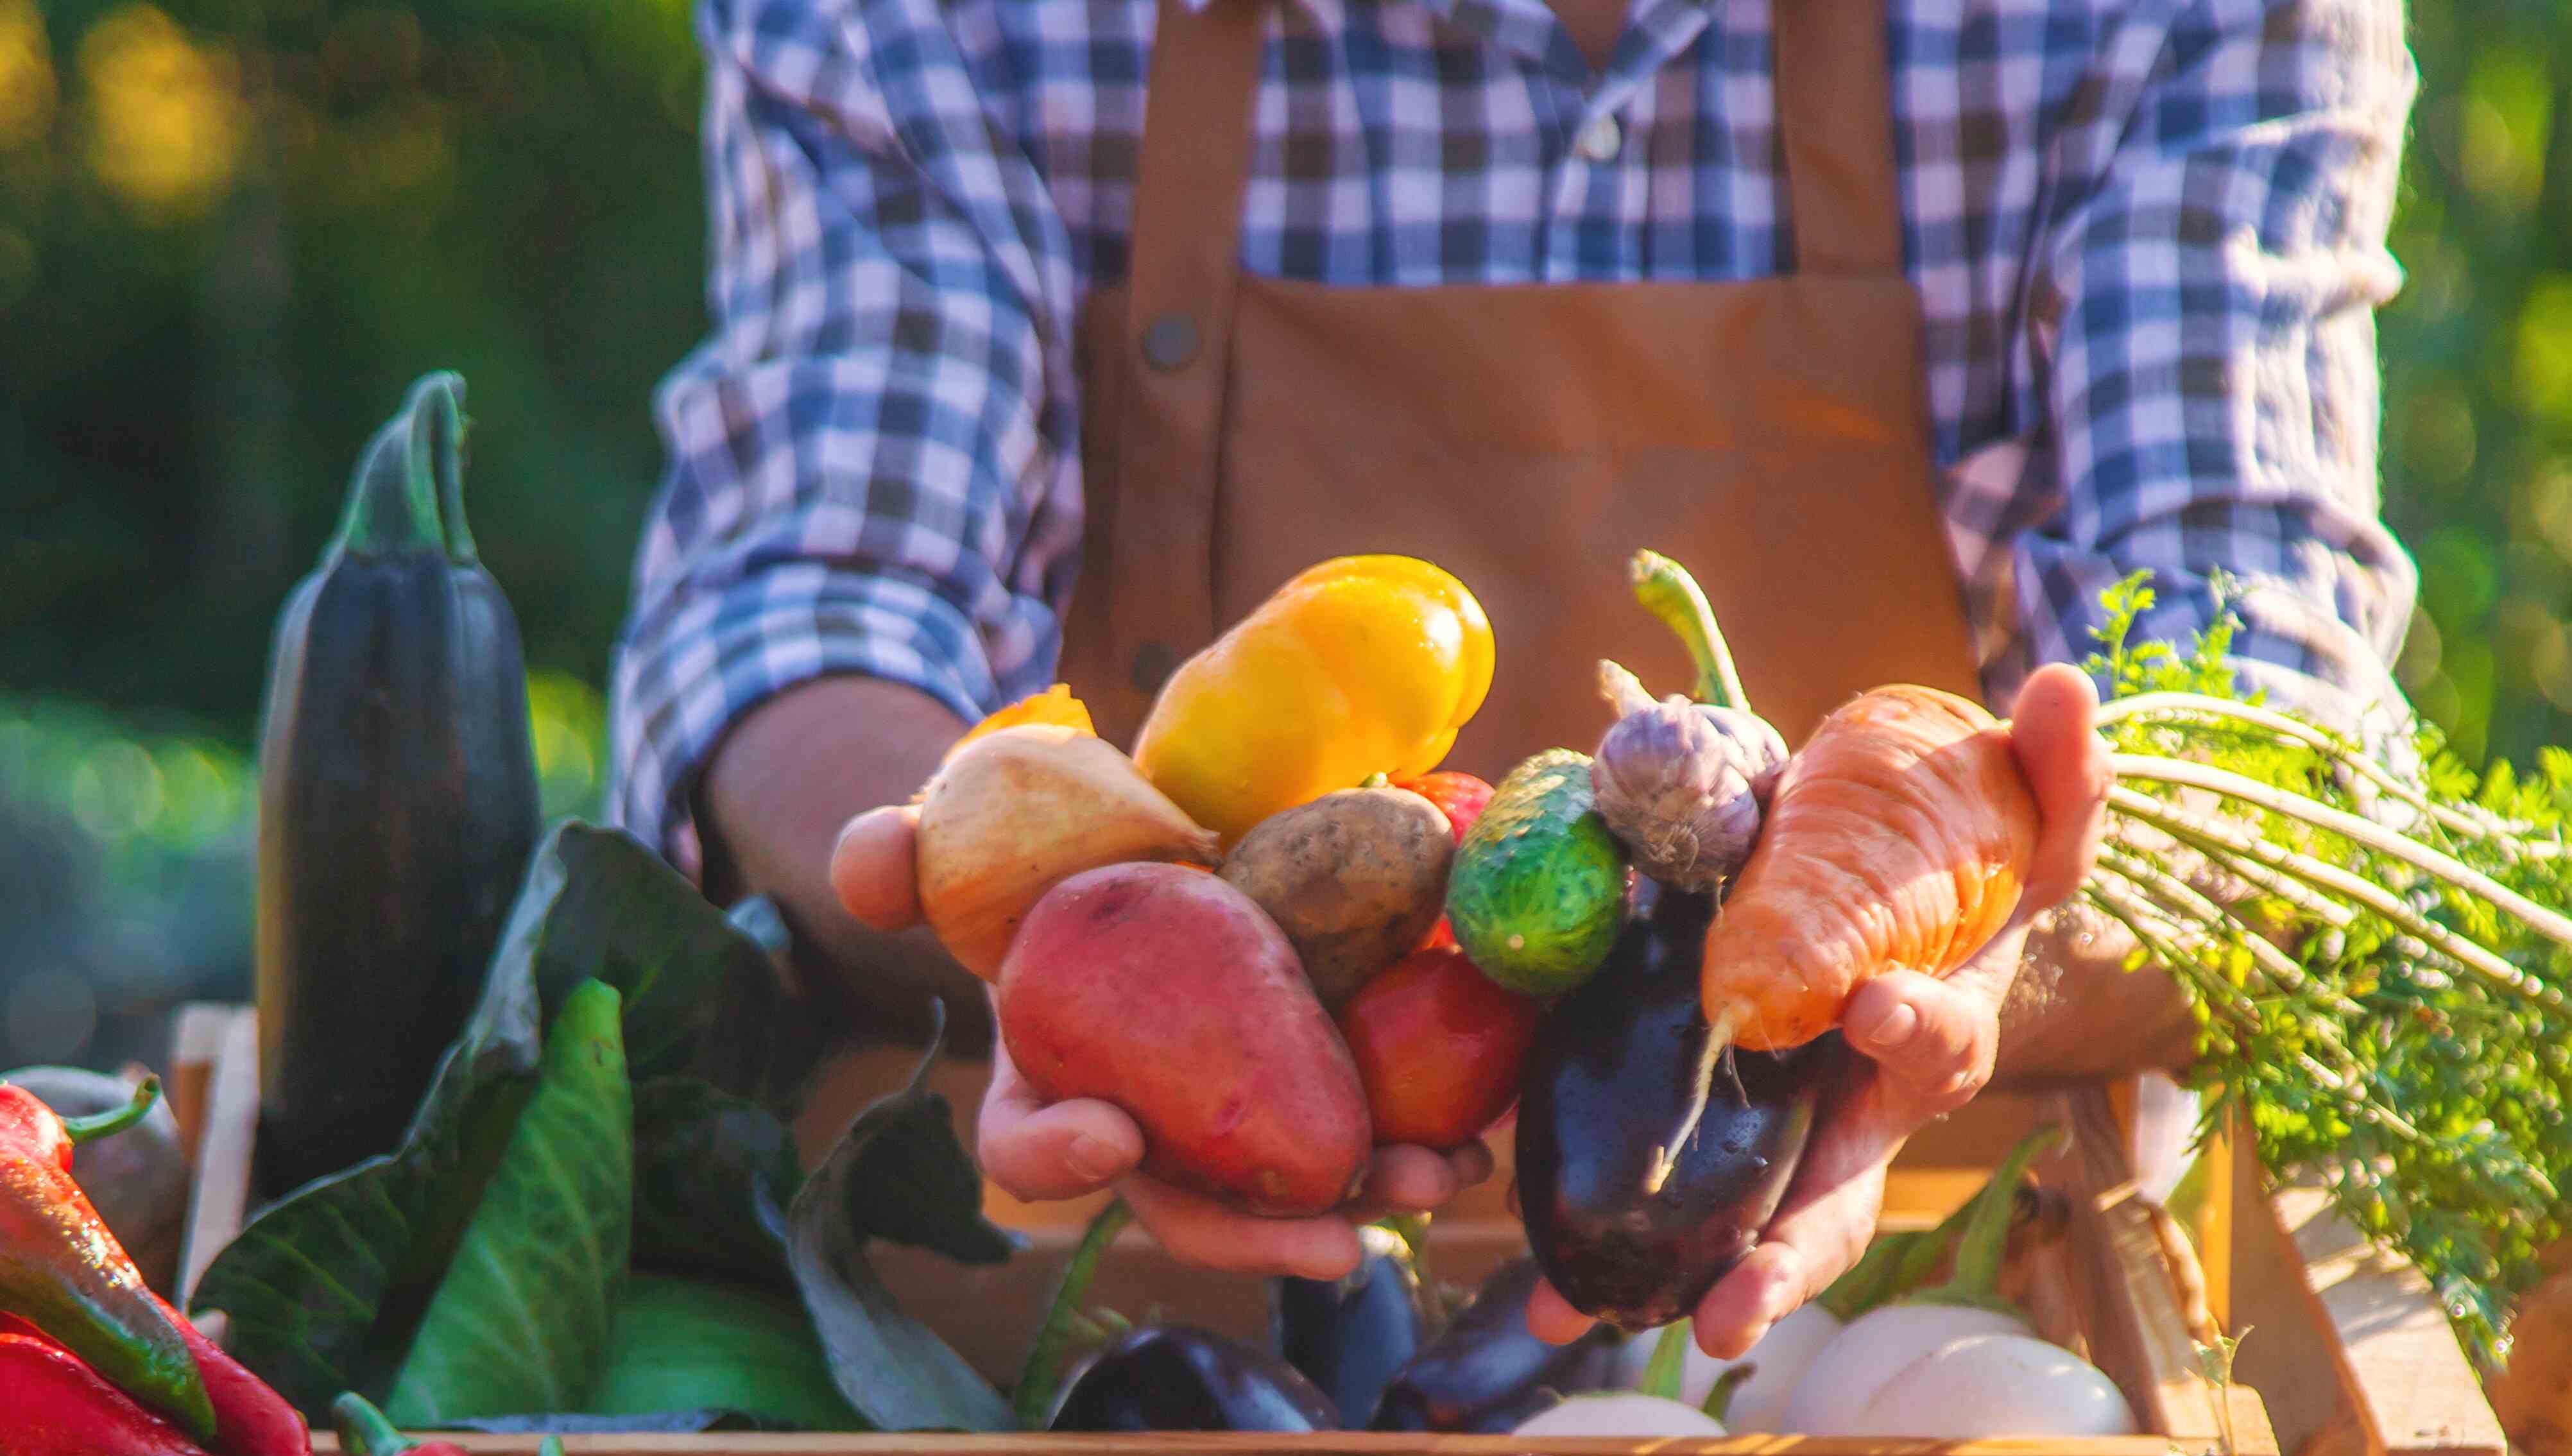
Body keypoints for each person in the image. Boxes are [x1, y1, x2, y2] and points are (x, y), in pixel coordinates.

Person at [608, 0, 2416, 1359]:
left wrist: (1957, 954)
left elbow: (2268, 717)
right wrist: (1042, 931)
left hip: (1905, 1326)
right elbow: (805, 610)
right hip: (1102, 1321)